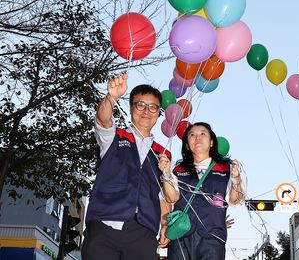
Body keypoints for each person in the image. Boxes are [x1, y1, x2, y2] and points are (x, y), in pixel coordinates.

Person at [82, 73, 171, 260]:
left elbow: (161, 196)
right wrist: (111, 97)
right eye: (140, 105)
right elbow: (103, 119)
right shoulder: (114, 137)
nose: (146, 111)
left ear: (158, 113)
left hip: (143, 232)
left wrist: (165, 224)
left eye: (153, 107)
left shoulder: (162, 154)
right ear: (131, 108)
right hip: (104, 224)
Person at [158, 122, 244, 260]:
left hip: (212, 237)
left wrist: (237, 179)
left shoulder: (226, 169)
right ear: (187, 144)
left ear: (211, 142)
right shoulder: (178, 170)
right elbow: (171, 198)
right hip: (181, 236)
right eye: (192, 135)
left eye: (203, 134)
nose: (197, 138)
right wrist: (166, 173)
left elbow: (235, 199)